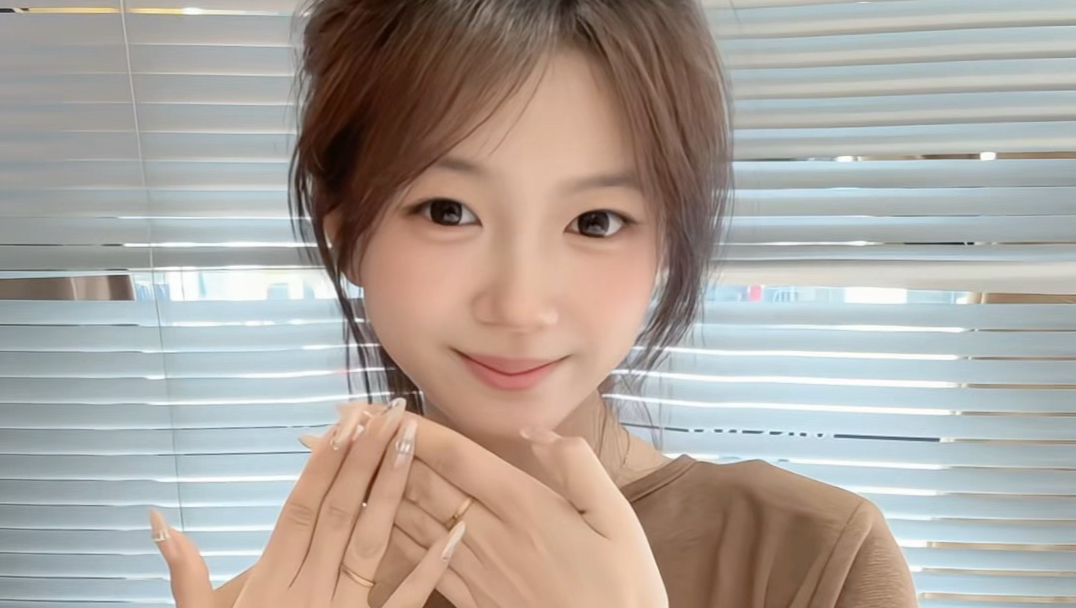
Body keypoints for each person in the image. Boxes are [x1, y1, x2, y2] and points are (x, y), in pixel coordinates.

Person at [148, 0, 919, 607]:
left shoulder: (817, 561)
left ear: (666, 242)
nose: (520, 307)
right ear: (346, 230)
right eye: (448, 211)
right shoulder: (282, 596)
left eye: (596, 221)